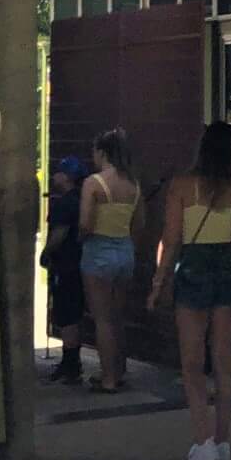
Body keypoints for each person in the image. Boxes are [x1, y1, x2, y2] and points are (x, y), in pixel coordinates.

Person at [149, 121, 231, 460]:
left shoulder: (181, 185)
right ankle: (223, 441)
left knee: (192, 363)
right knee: (223, 360)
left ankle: (202, 440)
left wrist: (158, 283)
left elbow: (171, 238)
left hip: (193, 266)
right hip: (227, 268)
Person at [78, 128, 141, 392]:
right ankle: (120, 369)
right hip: (125, 249)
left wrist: (82, 240)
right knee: (118, 316)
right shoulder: (133, 184)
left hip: (99, 250)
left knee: (102, 318)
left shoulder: (94, 183)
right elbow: (140, 223)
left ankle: (107, 378)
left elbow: (85, 223)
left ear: (102, 152)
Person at [41, 155, 86, 384]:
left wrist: (46, 253)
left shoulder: (64, 204)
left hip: (64, 264)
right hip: (80, 262)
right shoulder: (83, 200)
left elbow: (59, 233)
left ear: (67, 177)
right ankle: (73, 360)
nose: (55, 176)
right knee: (75, 312)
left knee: (66, 313)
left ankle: (70, 364)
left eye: (58, 172)